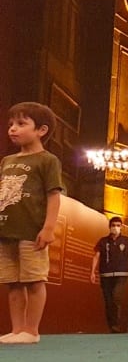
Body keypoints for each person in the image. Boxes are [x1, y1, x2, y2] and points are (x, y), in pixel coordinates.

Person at [0, 102, 63, 344]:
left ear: (41, 130)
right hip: (7, 230)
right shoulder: (7, 161)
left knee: (34, 280)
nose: (13, 129)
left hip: (31, 231)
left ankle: (32, 330)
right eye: (11, 124)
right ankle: (17, 330)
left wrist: (48, 228)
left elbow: (53, 195)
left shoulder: (48, 161)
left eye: (21, 124)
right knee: (12, 282)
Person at [90, 215, 128, 333]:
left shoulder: (126, 241)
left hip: (121, 274)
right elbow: (96, 256)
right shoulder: (103, 241)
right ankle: (111, 325)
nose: (115, 228)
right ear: (109, 227)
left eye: (118, 226)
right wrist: (92, 272)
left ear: (121, 227)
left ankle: (116, 323)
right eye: (113, 225)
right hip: (105, 274)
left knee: (116, 296)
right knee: (108, 300)